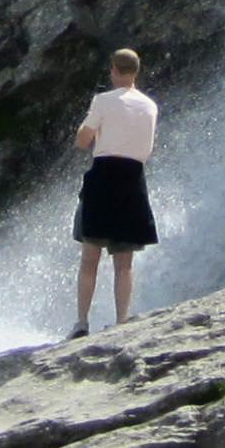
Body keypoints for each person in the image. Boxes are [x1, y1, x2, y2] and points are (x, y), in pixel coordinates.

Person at [70, 49, 160, 335]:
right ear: (136, 71)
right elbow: (147, 148)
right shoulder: (150, 106)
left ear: (114, 70)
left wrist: (90, 131)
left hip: (103, 176)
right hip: (133, 179)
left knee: (90, 258)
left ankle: (82, 322)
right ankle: (121, 321)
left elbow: (82, 140)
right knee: (124, 262)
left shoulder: (103, 100)